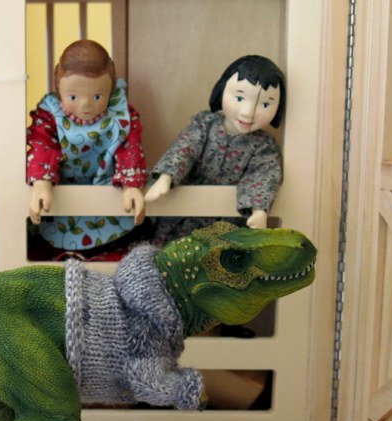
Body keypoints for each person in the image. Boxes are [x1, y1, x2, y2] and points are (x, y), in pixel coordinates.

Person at [26, 39, 147, 257]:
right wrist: (41, 182)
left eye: (97, 96)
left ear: (110, 89)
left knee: (129, 236)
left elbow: (129, 146)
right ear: (58, 88)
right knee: (50, 236)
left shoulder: (119, 114)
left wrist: (131, 185)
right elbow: (42, 145)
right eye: (73, 97)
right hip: (62, 189)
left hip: (109, 187)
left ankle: (108, 251)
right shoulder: (50, 114)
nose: (86, 105)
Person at [145, 55, 286, 229]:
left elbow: (263, 174)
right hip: (185, 211)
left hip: (227, 223)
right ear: (222, 90)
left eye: (265, 104)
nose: (248, 112)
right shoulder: (205, 124)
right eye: (239, 98)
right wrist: (166, 177)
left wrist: (259, 211)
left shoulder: (264, 146)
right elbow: (186, 147)